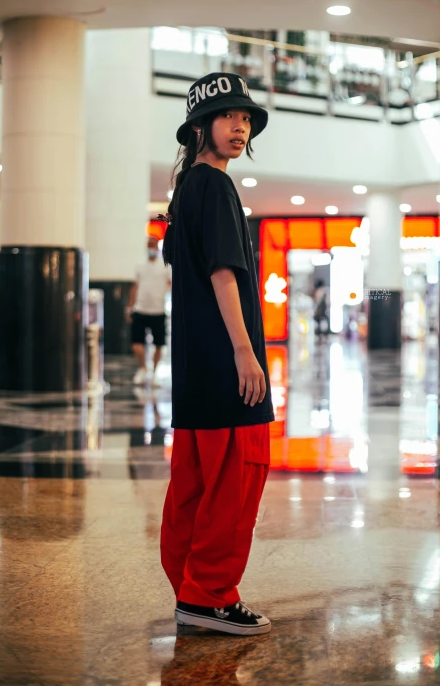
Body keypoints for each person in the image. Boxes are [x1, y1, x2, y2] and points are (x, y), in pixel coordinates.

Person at [160, 72, 275, 636]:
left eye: (246, 118)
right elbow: (224, 273)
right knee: (236, 479)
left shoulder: (186, 190)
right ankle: (209, 596)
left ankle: (189, 586)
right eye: (229, 116)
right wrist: (246, 352)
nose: (240, 126)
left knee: (194, 483)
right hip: (226, 367)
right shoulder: (217, 186)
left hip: (195, 370)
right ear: (201, 126)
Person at [127, 235, 171, 386]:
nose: (151, 248)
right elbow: (135, 286)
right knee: (136, 342)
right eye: (148, 245)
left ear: (157, 247)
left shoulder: (165, 266)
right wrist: (130, 306)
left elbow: (171, 284)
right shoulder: (140, 265)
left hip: (158, 310)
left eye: (153, 244)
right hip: (140, 309)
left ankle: (154, 373)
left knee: (159, 343)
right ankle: (144, 368)